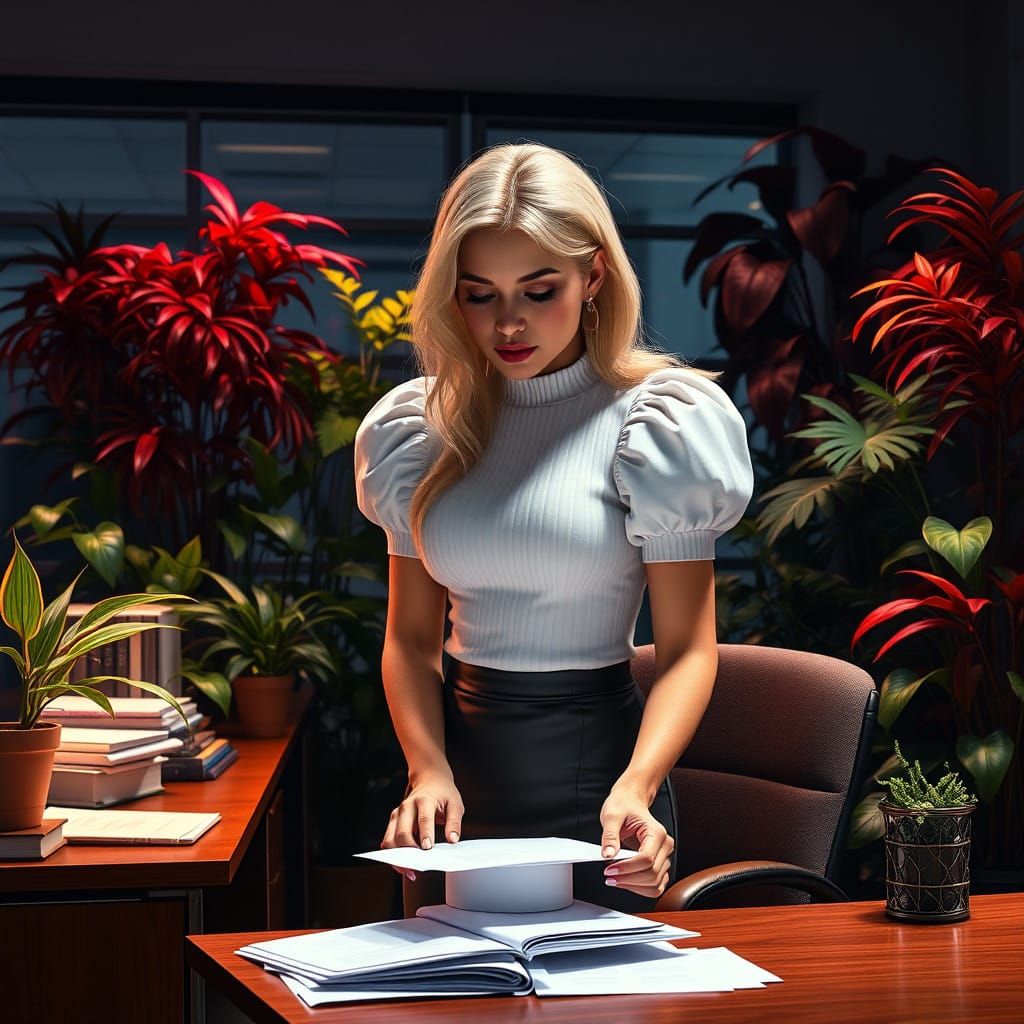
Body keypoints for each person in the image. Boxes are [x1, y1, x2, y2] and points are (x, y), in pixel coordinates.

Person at [353, 141, 754, 915]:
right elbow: (408, 640)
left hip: (605, 791)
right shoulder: (423, 428)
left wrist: (638, 787)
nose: (509, 323)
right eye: (479, 295)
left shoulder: (657, 422)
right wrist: (426, 771)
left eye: (539, 291)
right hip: (456, 791)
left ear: (593, 275)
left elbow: (686, 650)